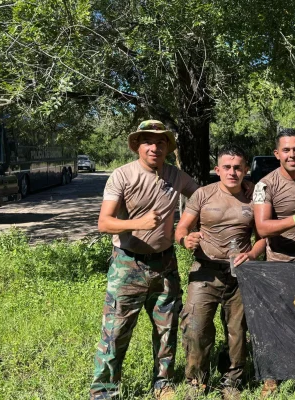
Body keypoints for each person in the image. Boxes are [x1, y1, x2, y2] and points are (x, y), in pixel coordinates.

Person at [89, 120, 199, 400]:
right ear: (138, 145)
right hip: (128, 265)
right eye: (148, 141)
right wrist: (137, 222)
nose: (154, 147)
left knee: (167, 328)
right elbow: (104, 223)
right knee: (115, 331)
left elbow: (201, 198)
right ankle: (104, 391)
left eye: (161, 142)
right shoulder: (122, 175)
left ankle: (162, 384)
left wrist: (187, 230)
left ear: (167, 148)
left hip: (165, 264)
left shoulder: (175, 176)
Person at [175, 145, 266, 400]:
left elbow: (263, 237)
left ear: (246, 169)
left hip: (241, 273)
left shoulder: (253, 197)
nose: (232, 172)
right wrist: (186, 240)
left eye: (238, 167)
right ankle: (196, 381)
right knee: (195, 327)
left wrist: (252, 254)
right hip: (205, 271)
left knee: (237, 331)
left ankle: (232, 382)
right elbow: (180, 229)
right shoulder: (203, 194)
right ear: (218, 170)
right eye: (227, 167)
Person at [253, 128, 295, 398]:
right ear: (277, 154)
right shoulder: (264, 185)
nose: (292, 154)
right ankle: (272, 375)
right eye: (287, 150)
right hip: (278, 265)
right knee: (276, 323)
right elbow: (262, 228)